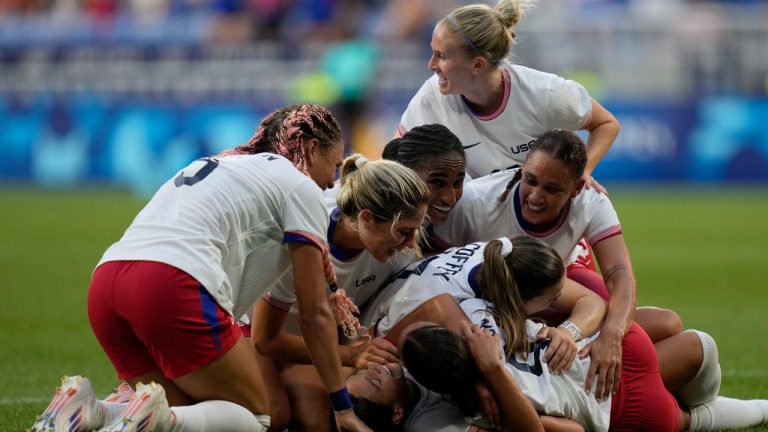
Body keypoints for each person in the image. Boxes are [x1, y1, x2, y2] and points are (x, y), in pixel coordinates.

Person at [30, 103, 372, 432]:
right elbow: (314, 314)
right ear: (312, 149)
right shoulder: (300, 186)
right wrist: (342, 406)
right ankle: (155, 419)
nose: (332, 182)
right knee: (256, 416)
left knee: (184, 408)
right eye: (335, 165)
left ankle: (88, 408)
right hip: (169, 281)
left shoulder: (226, 163)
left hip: (107, 282)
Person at [358, 236, 768, 431]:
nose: (378, 370)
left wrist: (493, 375)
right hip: (605, 360)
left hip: (608, 392)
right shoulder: (472, 314)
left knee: (691, 410)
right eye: (374, 379)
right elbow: (435, 313)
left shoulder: (457, 406)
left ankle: (755, 408)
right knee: (697, 344)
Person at [431, 128, 684, 399]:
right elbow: (433, 269)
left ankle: (583, 363)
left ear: (576, 188)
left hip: (547, 300)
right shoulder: (475, 201)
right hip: (489, 312)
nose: (536, 196)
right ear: (523, 165)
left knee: (667, 323)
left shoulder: (591, 201)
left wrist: (610, 336)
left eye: (552, 189)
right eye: (531, 180)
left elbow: (620, 273)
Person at [251, 154, 430, 431]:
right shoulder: (306, 235)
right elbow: (265, 340)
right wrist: (350, 356)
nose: (411, 243)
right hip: (251, 326)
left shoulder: (397, 248)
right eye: (405, 232)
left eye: (416, 230)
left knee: (316, 421)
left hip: (306, 337)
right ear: (367, 219)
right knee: (274, 413)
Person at [396, 0, 620, 190]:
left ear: (477, 64)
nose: (431, 65)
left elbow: (606, 123)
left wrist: (583, 171)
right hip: (483, 222)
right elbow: (396, 154)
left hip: (541, 219)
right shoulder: (432, 95)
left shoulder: (543, 93)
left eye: (441, 56)